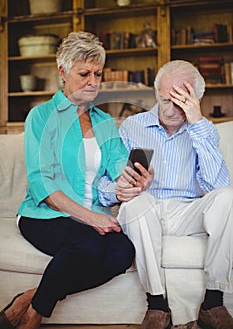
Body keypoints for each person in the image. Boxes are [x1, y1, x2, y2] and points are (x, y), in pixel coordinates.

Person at [0, 31, 135, 329]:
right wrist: (93, 219)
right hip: (45, 215)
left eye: (98, 74)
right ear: (62, 72)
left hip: (92, 218)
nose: (93, 82)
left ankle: (30, 300)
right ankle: (34, 317)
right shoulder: (41, 116)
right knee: (88, 245)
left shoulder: (104, 122)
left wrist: (133, 180)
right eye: (84, 73)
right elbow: (42, 184)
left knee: (123, 251)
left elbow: (119, 168)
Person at [98, 60, 233, 329]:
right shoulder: (130, 127)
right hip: (145, 208)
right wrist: (117, 190)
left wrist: (195, 122)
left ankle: (213, 302)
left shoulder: (204, 129)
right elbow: (104, 183)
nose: (171, 110)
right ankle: (157, 305)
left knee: (229, 197)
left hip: (188, 211)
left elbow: (217, 185)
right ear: (155, 93)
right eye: (164, 99)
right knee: (136, 204)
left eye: (180, 100)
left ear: (196, 98)